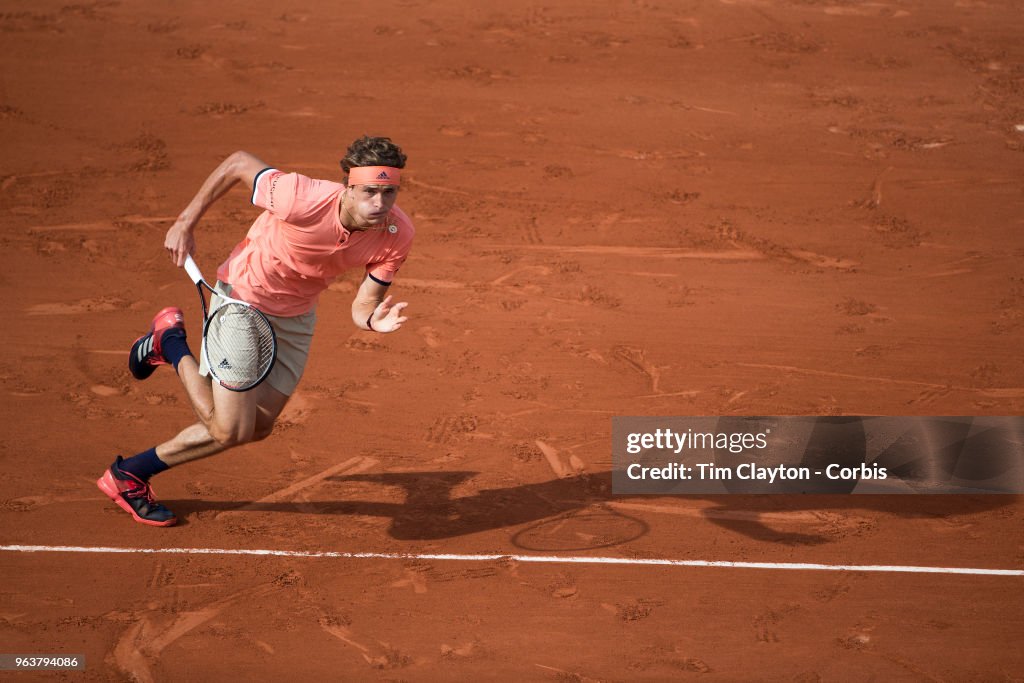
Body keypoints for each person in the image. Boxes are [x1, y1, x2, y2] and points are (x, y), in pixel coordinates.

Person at [97, 136, 413, 526]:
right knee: (230, 429)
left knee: (258, 426)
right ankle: (129, 471)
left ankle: (168, 342)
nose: (380, 205)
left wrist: (371, 320)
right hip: (243, 298)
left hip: (296, 315)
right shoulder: (300, 196)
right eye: (370, 192)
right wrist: (185, 221)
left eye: (388, 193)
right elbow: (238, 162)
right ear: (348, 186)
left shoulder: (397, 233)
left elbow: (363, 304)